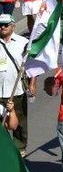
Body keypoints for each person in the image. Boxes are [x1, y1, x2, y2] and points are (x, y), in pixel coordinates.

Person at [0, 14, 34, 156]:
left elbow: (32, 66)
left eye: (6, 25)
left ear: (13, 26)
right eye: (0, 25)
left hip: (16, 90)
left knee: (19, 122)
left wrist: (32, 84)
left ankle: (20, 149)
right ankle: (4, 149)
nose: (2, 27)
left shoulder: (23, 42)